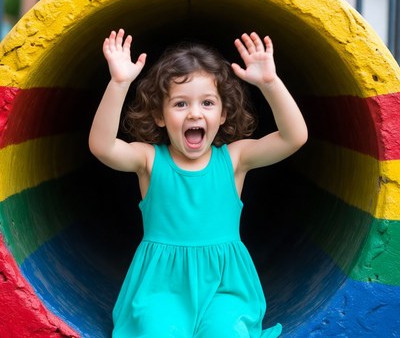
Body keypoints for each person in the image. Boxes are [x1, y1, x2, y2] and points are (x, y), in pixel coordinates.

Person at [89, 28, 308, 338]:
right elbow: (102, 146)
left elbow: (293, 137)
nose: (194, 112)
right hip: (161, 289)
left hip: (225, 287)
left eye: (207, 103)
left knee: (226, 332)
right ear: (160, 115)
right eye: (180, 104)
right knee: (158, 332)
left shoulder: (234, 159)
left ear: (223, 114)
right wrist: (119, 83)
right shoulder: (150, 161)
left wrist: (270, 83)